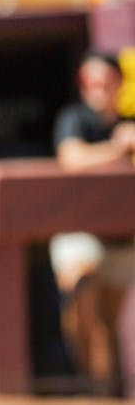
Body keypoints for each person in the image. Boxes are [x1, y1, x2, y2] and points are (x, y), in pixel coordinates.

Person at [51, 50, 135, 396]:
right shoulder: (74, 118)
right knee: (81, 289)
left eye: (105, 81)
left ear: (119, 83)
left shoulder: (129, 121)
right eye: (90, 82)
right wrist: (119, 149)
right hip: (79, 229)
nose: (98, 89)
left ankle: (105, 390)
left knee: (109, 322)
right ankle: (91, 383)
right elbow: (71, 158)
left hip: (122, 237)